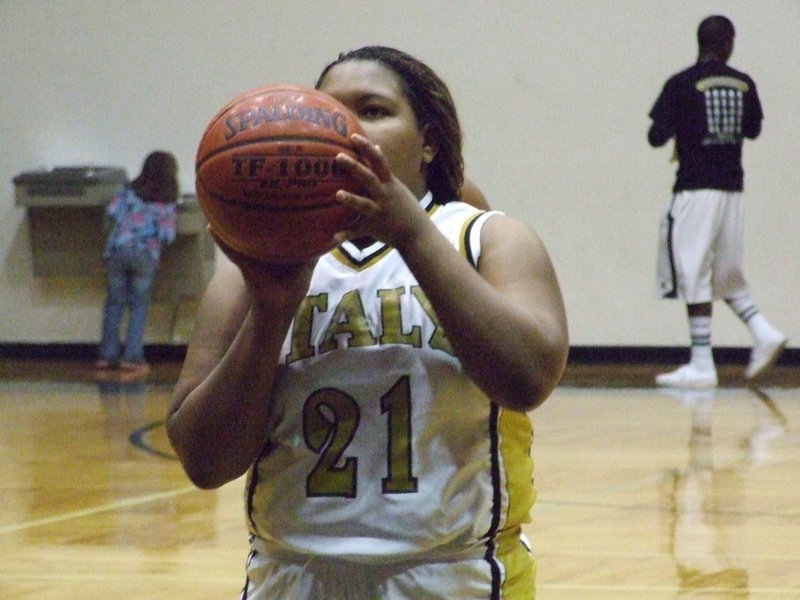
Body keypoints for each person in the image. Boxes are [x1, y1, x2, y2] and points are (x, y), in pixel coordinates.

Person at [167, 46, 568, 599]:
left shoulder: (485, 238)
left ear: (427, 140)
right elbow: (204, 461)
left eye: (373, 111)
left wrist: (410, 232)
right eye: (329, 112)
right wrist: (272, 310)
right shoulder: (253, 270)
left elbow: (528, 378)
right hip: (291, 575)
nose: (346, 129)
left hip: (454, 575)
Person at [647, 15, 786, 388]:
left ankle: (701, 363)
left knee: (692, 272)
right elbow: (754, 129)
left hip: (695, 190)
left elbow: (655, 136)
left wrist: (681, 124)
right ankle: (763, 330)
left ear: (701, 42)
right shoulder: (744, 83)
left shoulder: (681, 84)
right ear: (728, 43)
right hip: (732, 190)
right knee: (726, 273)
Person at [96, 151, 179, 374]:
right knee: (138, 307)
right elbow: (167, 235)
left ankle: (107, 355)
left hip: (118, 251)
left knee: (114, 304)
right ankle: (132, 358)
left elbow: (112, 211)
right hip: (144, 256)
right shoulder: (167, 201)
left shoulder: (128, 191)